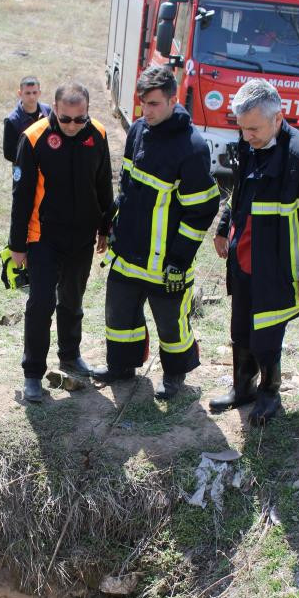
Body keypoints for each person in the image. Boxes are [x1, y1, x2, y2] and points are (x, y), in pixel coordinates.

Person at [210, 78, 299, 425]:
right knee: (241, 329)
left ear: (278, 118)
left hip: (278, 269)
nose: (246, 136)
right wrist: (224, 227)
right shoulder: (250, 146)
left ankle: (269, 394)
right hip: (244, 262)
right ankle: (243, 389)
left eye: (253, 129)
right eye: (242, 128)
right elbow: (240, 193)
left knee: (266, 336)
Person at [96, 66, 220, 399]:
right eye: (142, 103)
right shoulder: (138, 130)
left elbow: (202, 210)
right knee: (119, 316)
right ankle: (122, 367)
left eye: (153, 104)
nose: (146, 111)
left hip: (166, 262)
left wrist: (179, 260)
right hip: (128, 252)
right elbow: (127, 187)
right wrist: (110, 223)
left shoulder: (192, 147)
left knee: (171, 325)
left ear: (172, 100)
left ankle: (175, 375)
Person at [9, 81, 114, 402]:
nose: (72, 125)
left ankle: (70, 355)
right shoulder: (34, 138)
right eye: (65, 118)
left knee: (72, 300)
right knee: (40, 303)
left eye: (79, 119)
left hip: (82, 236)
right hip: (44, 237)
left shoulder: (97, 134)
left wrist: (104, 227)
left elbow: (103, 184)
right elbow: (21, 196)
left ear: (87, 112)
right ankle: (32, 373)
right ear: (54, 109)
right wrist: (17, 245)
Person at [3, 76, 51, 164]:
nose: (32, 97)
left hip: (46, 164)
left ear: (39, 93)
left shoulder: (47, 111)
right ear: (20, 93)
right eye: (27, 93)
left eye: (34, 92)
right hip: (23, 166)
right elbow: (9, 153)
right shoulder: (12, 120)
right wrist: (32, 159)